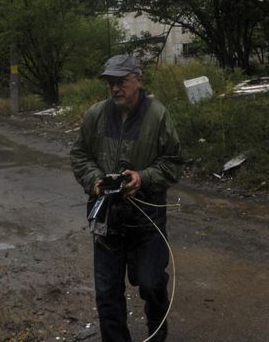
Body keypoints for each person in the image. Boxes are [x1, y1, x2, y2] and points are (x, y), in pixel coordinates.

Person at [71, 54, 184, 342]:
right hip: (107, 219)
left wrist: (142, 177)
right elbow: (80, 155)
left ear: (138, 79)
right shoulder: (96, 114)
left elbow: (173, 163)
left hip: (146, 220)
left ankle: (157, 335)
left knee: (152, 284)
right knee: (107, 292)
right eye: (110, 82)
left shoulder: (158, 115)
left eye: (120, 81)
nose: (114, 88)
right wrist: (94, 180)